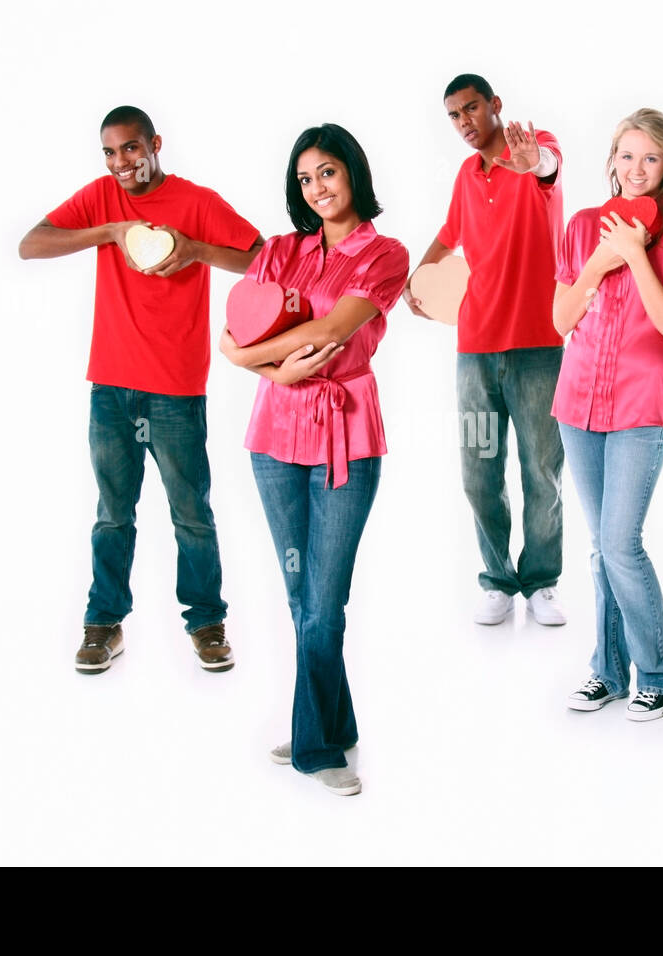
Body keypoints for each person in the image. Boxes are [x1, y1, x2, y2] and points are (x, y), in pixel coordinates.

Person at [18, 105, 262, 674]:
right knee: (112, 513)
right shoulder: (104, 198)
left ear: (155, 143)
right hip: (110, 386)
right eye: (109, 152)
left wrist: (198, 250)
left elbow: (260, 258)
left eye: (130, 148)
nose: (121, 163)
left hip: (175, 388)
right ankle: (103, 624)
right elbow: (31, 244)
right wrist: (111, 231)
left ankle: (206, 623)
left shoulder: (196, 201)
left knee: (190, 513)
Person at [219, 124, 408, 797]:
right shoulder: (278, 251)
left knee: (324, 603)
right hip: (273, 442)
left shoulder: (385, 254)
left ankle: (314, 748)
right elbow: (236, 332)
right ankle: (331, 724)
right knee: (302, 597)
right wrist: (253, 361)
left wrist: (254, 359)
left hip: (346, 442)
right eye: (305, 179)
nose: (318, 188)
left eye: (327, 172)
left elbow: (334, 330)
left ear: (352, 173)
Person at [553, 109, 663, 720]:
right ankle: (608, 670)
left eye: (650, 158)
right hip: (577, 402)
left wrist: (637, 254)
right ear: (611, 159)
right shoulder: (582, 224)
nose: (636, 169)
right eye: (626, 156)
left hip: (642, 407)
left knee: (621, 542)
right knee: (600, 547)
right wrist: (602, 258)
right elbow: (562, 320)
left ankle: (661, 671)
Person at [402, 73, 567, 627]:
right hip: (474, 352)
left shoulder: (535, 146)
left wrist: (533, 163)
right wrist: (417, 279)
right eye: (454, 115)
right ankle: (497, 579)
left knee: (541, 469)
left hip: (539, 346)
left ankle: (542, 581)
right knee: (479, 471)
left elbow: (547, 166)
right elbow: (450, 234)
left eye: (471, 108)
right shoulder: (465, 175)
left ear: (495, 105)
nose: (464, 122)